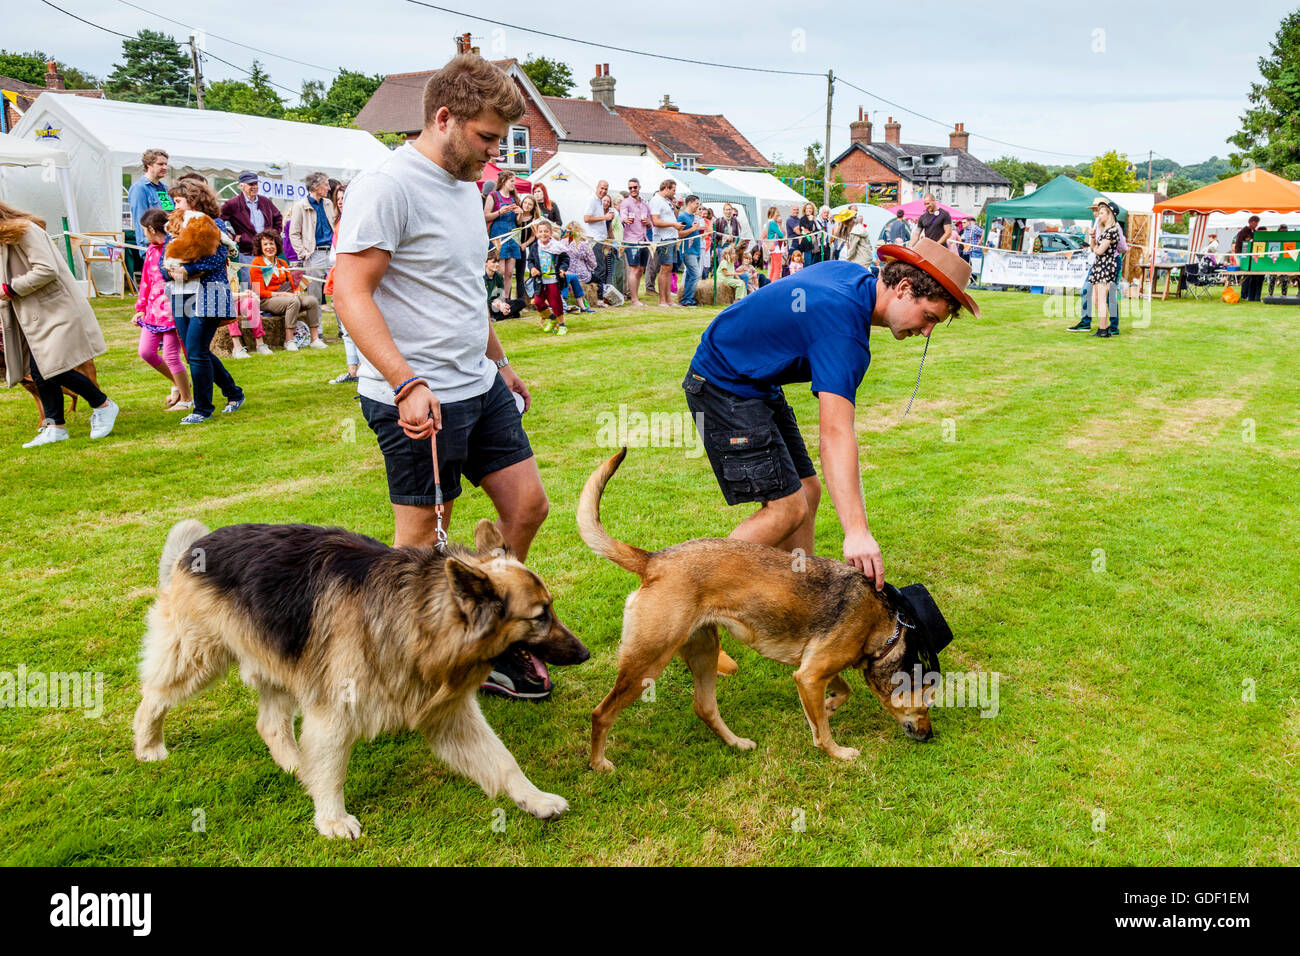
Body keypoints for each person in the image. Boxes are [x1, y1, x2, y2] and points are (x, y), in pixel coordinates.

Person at [332, 54, 553, 699]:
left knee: (527, 505)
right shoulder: (388, 185)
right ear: (444, 118)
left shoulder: (466, 187)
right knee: (420, 549)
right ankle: (406, 666)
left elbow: (462, 290)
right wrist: (405, 382)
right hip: (416, 399)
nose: (495, 152)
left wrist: (501, 362)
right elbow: (349, 292)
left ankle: (494, 632)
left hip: (478, 386)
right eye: (486, 138)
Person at [682, 238, 979, 674]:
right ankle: (689, 602)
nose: (926, 331)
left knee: (808, 492)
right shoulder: (844, 329)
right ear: (902, 291)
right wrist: (856, 532)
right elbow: (836, 433)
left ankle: (803, 610)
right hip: (723, 382)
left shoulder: (856, 280)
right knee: (786, 510)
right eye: (928, 317)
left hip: (754, 380)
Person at [2, 201, 120, 447]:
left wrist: (11, 288)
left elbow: (47, 269)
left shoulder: (25, 230)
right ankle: (55, 426)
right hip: (32, 313)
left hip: (56, 309)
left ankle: (103, 404)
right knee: (40, 370)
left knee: (55, 367)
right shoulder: (4, 239)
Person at [163, 181, 246, 424]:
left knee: (197, 351)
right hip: (180, 293)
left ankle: (202, 409)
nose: (174, 205)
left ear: (194, 200)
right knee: (194, 351)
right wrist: (171, 271)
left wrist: (187, 269)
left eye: (178, 200)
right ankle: (234, 393)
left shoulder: (215, 224)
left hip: (209, 292)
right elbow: (163, 260)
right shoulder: (175, 225)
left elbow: (217, 259)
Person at [131, 208, 194, 410]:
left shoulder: (174, 248)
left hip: (173, 310)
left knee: (171, 355)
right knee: (146, 352)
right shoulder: (150, 251)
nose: (143, 235)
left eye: (144, 230)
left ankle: (186, 398)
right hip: (152, 312)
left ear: (151, 229)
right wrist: (140, 308)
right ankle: (177, 382)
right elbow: (146, 282)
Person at [250, 229, 325, 350]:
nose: (269, 247)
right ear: (260, 247)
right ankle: (289, 340)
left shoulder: (282, 263)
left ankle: (314, 339)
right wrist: (282, 295)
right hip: (266, 300)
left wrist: (296, 291)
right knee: (293, 302)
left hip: (285, 297)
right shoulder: (256, 264)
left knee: (312, 300)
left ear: (277, 245)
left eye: (271, 243)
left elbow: (291, 284)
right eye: (265, 244)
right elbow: (259, 292)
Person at [219, 172, 282, 286]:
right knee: (250, 284)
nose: (255, 187)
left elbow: (278, 216)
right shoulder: (232, 203)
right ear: (241, 186)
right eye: (251, 184)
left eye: (256, 184)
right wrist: (232, 237)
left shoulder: (265, 201)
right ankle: (250, 304)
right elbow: (218, 220)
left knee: (268, 284)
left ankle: (266, 304)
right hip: (247, 251)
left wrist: (274, 234)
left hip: (266, 251)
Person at [289, 172, 336, 304]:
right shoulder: (300, 206)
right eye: (326, 185)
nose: (329, 188)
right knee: (315, 295)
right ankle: (317, 325)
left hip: (333, 252)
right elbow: (294, 233)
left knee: (339, 291)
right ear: (315, 186)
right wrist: (303, 253)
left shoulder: (328, 203)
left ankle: (342, 325)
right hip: (314, 254)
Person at [128, 148, 174, 279]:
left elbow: (171, 215)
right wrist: (148, 245)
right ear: (148, 165)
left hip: (169, 244)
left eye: (166, 164)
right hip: (152, 246)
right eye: (160, 164)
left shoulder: (165, 189)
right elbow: (141, 220)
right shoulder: (139, 188)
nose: (164, 167)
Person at [1084, 198, 1122, 339]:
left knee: (1101, 299)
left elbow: (1099, 251)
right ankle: (1105, 328)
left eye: (1102, 213)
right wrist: (1093, 237)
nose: (1098, 215)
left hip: (1106, 266)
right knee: (1095, 300)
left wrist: (1096, 247)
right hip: (1099, 265)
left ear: (1109, 215)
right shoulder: (1104, 231)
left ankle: (1103, 330)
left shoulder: (1112, 230)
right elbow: (1094, 247)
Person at [527, 219, 571, 333]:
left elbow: (565, 259)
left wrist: (562, 269)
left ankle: (562, 324)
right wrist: (532, 268)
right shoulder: (534, 246)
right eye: (540, 231)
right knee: (537, 301)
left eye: (546, 231)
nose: (543, 234)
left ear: (551, 233)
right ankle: (552, 319)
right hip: (540, 280)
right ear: (537, 234)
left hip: (553, 279)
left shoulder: (557, 246)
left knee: (555, 303)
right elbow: (530, 260)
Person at [583, 179, 620, 303]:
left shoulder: (599, 202)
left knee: (603, 269)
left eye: (606, 189)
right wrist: (605, 217)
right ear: (597, 187)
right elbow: (586, 218)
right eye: (602, 188)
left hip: (602, 241)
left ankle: (600, 297)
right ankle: (597, 299)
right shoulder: (592, 200)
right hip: (595, 241)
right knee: (599, 270)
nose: (603, 191)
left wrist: (613, 242)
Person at [619, 178, 652, 306]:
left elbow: (650, 223)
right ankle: (634, 299)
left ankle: (636, 296)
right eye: (630, 188)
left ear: (639, 188)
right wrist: (625, 220)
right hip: (631, 240)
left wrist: (649, 223)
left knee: (640, 269)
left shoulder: (644, 205)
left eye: (635, 187)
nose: (632, 190)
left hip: (644, 240)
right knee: (634, 269)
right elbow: (622, 215)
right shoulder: (626, 203)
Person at [649, 179, 681, 307]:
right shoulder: (656, 200)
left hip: (672, 237)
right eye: (673, 190)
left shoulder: (666, 201)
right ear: (666, 188)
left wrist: (675, 223)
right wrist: (673, 224)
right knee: (664, 268)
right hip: (663, 239)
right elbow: (655, 221)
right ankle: (662, 300)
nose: (674, 192)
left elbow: (671, 216)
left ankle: (668, 299)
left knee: (669, 268)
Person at [559, 222, 596, 313]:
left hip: (567, 272)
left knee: (570, 276)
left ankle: (581, 306)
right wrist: (590, 269)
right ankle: (566, 304)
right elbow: (592, 263)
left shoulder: (561, 243)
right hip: (581, 275)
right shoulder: (583, 244)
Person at [677, 195, 705, 306]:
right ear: (690, 203)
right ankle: (687, 300)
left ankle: (687, 299)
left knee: (690, 275)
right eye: (697, 203)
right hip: (688, 250)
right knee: (695, 274)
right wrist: (693, 229)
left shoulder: (694, 216)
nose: (698, 206)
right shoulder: (682, 217)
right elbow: (678, 234)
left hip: (697, 249)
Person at [764, 206, 786, 280]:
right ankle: (773, 284)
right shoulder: (773, 223)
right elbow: (781, 235)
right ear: (773, 213)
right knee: (778, 268)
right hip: (776, 247)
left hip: (773, 247)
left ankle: (770, 283)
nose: (778, 213)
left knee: (773, 267)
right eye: (777, 212)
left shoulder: (769, 222)